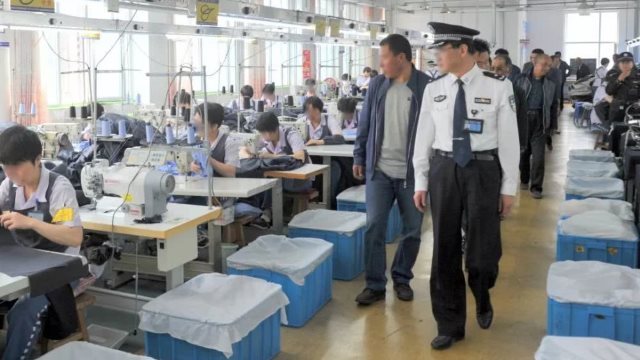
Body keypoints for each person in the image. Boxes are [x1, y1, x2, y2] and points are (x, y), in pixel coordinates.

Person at [413, 22, 519, 351]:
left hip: (482, 169)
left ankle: (482, 291)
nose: (436, 57)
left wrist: (509, 187)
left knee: (482, 253)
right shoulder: (434, 88)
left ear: (462, 50)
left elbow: (510, 141)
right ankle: (449, 323)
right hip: (444, 168)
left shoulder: (499, 86)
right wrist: (420, 180)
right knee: (444, 249)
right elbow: (423, 138)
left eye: (441, 50)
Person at [353, 33, 430, 306]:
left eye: (384, 57)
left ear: (401, 58)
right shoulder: (377, 85)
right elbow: (365, 125)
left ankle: (401, 277)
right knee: (374, 226)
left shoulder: (425, 86)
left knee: (412, 229)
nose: (381, 62)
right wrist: (359, 156)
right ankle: (375, 284)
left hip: (412, 174)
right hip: (380, 170)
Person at [0, 126, 83, 360]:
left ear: (37, 160)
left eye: (17, 166)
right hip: (24, 263)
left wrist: (30, 223)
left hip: (59, 269)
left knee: (24, 311)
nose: (11, 173)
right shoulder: (9, 185)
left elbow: (73, 236)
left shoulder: (59, 188)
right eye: (5, 167)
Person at [187, 102, 264, 225]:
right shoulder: (196, 141)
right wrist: (192, 166)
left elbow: (231, 172)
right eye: (194, 123)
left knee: (192, 210)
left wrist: (210, 160)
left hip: (222, 196)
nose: (195, 127)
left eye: (200, 124)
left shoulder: (229, 142)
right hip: (201, 191)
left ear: (214, 126)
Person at [514, 54, 558, 199]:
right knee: (523, 153)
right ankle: (524, 179)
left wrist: (552, 125)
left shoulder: (551, 84)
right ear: (535, 63)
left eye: (549, 66)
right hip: (523, 119)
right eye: (544, 64)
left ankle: (536, 187)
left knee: (539, 157)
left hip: (540, 121)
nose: (547, 68)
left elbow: (553, 105)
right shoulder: (520, 80)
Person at [493, 55, 529, 150]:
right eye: (492, 68)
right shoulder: (484, 90)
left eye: (499, 69)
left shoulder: (518, 92)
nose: (495, 72)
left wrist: (522, 143)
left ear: (508, 71)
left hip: (509, 139)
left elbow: (522, 119)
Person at [605, 52, 640, 123]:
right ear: (618, 64)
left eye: (628, 62)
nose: (625, 64)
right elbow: (609, 91)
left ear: (632, 63)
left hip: (634, 109)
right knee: (616, 131)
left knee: (634, 131)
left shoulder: (638, 75)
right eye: (623, 62)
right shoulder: (612, 74)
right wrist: (619, 79)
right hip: (617, 110)